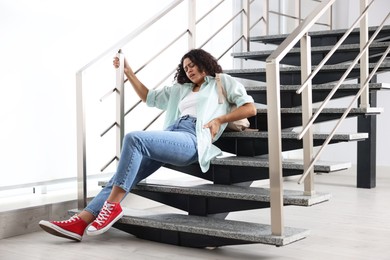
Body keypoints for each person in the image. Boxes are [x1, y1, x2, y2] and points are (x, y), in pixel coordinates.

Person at [39, 49, 256, 242]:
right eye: (185, 67)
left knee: (134, 138)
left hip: (193, 138)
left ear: (204, 62)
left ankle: (112, 208)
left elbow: (249, 108)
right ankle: (80, 223)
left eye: (192, 65)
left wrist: (220, 120)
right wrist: (128, 72)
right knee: (119, 179)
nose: (189, 70)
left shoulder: (222, 81)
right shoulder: (182, 89)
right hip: (172, 134)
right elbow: (148, 97)